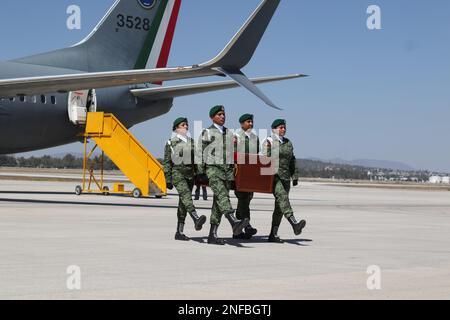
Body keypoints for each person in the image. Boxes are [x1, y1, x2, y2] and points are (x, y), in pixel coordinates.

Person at [198, 105, 249, 245]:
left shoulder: (229, 133)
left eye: (223, 114)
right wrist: (201, 172)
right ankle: (233, 222)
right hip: (213, 170)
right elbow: (200, 153)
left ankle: (212, 235)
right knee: (223, 196)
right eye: (219, 114)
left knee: (218, 203)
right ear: (212, 117)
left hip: (227, 173)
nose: (222, 116)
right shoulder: (207, 132)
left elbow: (234, 154)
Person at [262, 119, 306, 243]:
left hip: (286, 177)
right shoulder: (269, 142)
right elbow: (264, 160)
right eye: (281, 127)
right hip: (274, 178)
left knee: (279, 207)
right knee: (283, 200)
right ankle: (294, 223)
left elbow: (292, 160)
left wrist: (295, 175)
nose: (283, 129)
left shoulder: (288, 143)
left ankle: (273, 234)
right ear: (274, 129)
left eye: (284, 127)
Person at [163, 117, 207, 241]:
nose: (186, 127)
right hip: (177, 173)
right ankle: (196, 218)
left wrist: (200, 173)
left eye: (187, 125)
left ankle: (179, 232)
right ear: (176, 128)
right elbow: (167, 162)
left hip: (190, 175)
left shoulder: (192, 142)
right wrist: (168, 178)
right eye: (183, 125)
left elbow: (198, 159)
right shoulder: (170, 143)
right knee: (186, 196)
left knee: (183, 203)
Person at [233, 113, 259, 239]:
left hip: (250, 174)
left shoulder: (255, 138)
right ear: (242, 123)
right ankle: (247, 226)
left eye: (252, 121)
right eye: (248, 122)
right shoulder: (236, 137)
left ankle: (237, 230)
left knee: (246, 200)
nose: (251, 124)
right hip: (240, 174)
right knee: (243, 199)